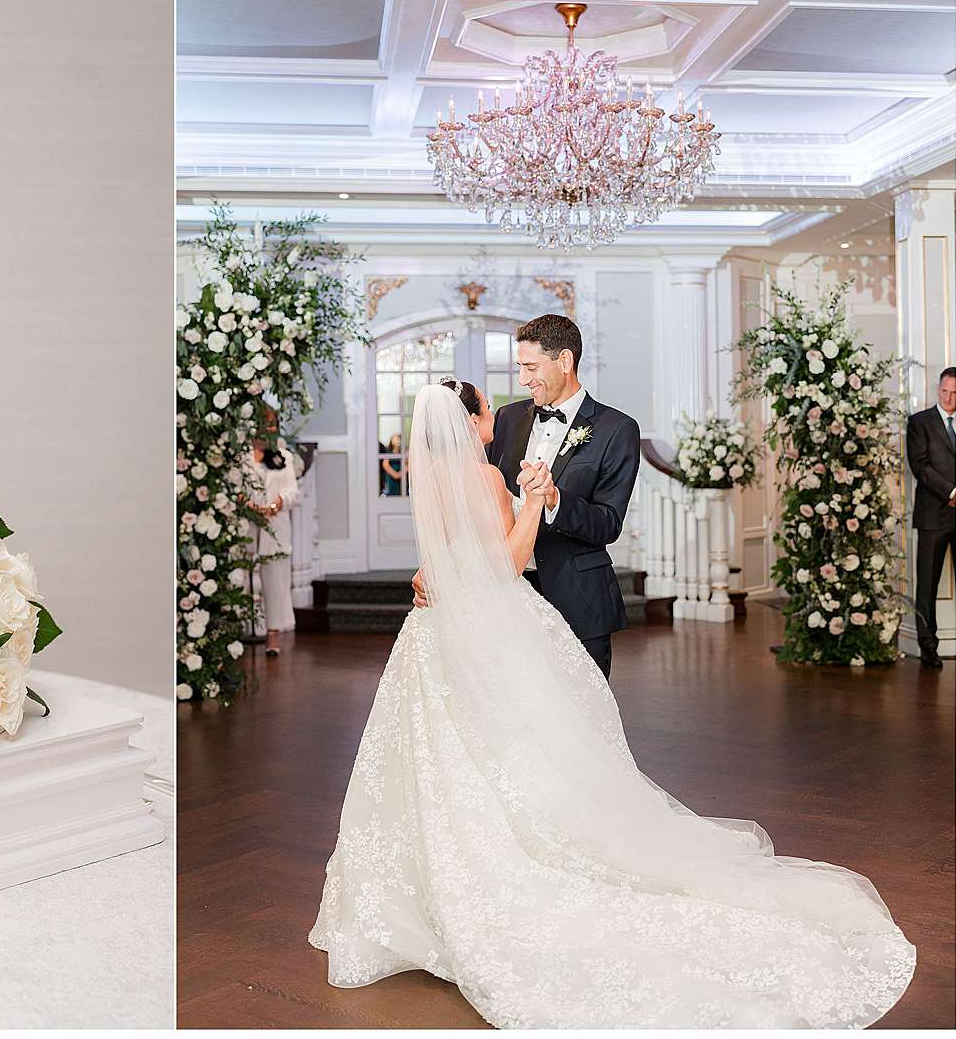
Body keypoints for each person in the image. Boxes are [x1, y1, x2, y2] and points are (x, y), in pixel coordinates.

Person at [309, 380, 914, 1027]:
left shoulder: (431, 477)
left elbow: (438, 563)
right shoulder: (483, 478)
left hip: (431, 637)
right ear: (470, 419)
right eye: (485, 406)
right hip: (487, 621)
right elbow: (510, 562)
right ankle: (510, 855)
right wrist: (537, 502)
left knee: (438, 761)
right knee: (512, 747)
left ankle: (415, 900)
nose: (496, 413)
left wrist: (432, 574)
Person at [412, 315, 638, 679]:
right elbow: (470, 503)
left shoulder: (617, 429)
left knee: (581, 722)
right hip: (504, 605)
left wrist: (553, 499)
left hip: (577, 599)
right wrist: (437, 568)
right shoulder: (506, 417)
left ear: (565, 361)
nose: (523, 379)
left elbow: (608, 523)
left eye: (531, 367)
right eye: (520, 367)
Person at [906, 366, 956, 669]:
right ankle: (928, 646)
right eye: (944, 391)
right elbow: (921, 467)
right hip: (933, 514)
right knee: (927, 583)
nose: (949, 398)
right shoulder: (919, 423)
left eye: (955, 393)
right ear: (938, 389)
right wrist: (953, 493)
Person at [246, 434, 302, 656]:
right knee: (245, 580)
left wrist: (274, 504)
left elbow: (293, 493)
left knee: (275, 583)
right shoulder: (241, 458)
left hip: (274, 526)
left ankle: (273, 634)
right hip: (248, 525)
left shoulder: (283, 457)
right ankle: (248, 628)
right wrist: (248, 505)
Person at [379, 432, 403, 496]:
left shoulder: (403, 455)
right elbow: (396, 475)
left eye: (399, 439)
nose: (398, 441)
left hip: (401, 484)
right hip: (391, 484)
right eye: (396, 439)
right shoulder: (388, 455)